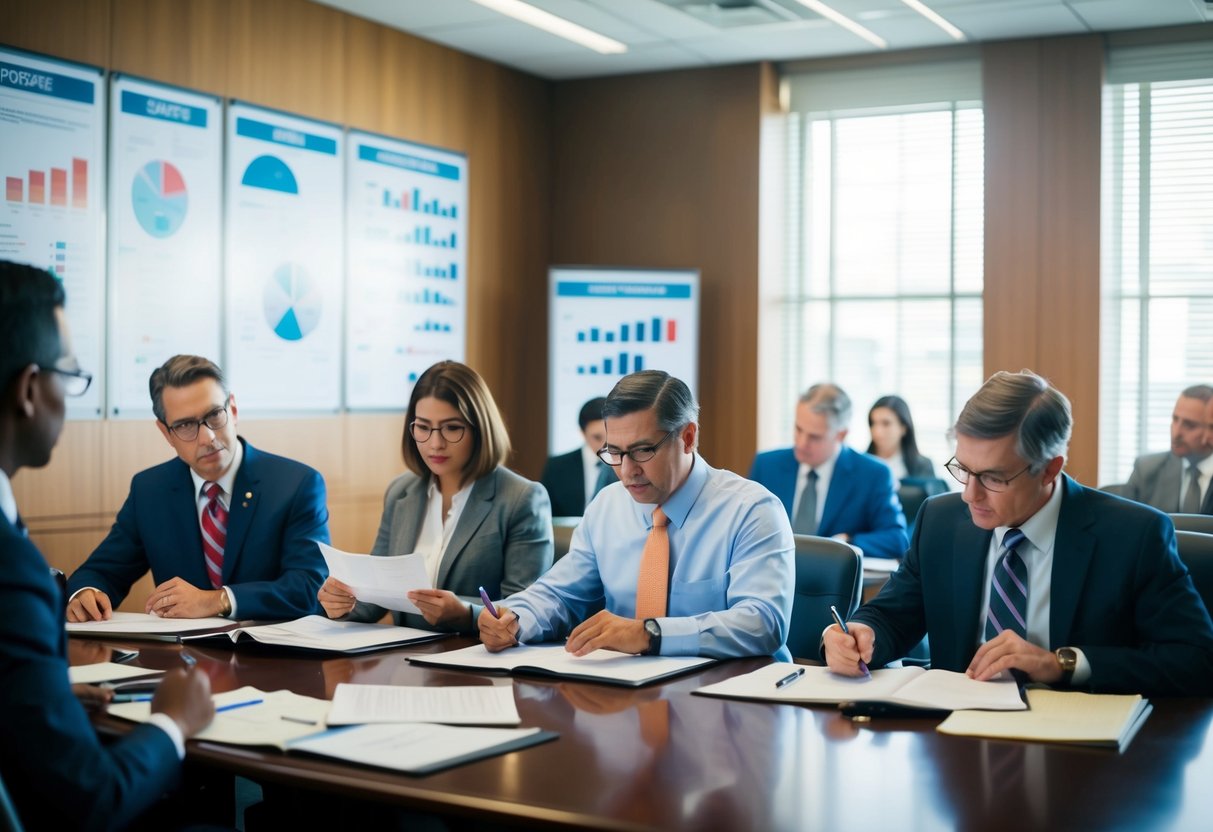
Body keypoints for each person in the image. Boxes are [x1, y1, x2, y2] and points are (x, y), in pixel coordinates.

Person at [824, 369, 1213, 696]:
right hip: (957, 742)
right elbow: (893, 616)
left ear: (1049, 468)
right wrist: (862, 633)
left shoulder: (1133, 535)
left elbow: (1195, 659)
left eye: (993, 477)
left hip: (1082, 753)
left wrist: (1060, 663)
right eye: (963, 469)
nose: (970, 494)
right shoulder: (941, 520)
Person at [0, 260, 214, 828]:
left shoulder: (295, 482)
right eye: (68, 375)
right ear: (28, 389)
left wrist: (46, 708)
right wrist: (173, 722)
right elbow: (92, 800)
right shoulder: (10, 566)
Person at [479, 369, 794, 661]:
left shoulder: (752, 510)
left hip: (731, 697)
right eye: (614, 452)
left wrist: (651, 634)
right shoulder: (607, 506)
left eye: (643, 450)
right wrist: (516, 618)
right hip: (628, 690)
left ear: (687, 438)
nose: (626, 471)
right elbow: (560, 594)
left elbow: (762, 623)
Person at [65, 355, 330, 621]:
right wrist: (86, 593)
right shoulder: (150, 490)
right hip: (181, 657)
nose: (208, 437)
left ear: (233, 409)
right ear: (166, 433)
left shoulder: (296, 485)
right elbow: (101, 571)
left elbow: (310, 587)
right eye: (185, 425)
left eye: (214, 415)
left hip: (273, 656)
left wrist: (218, 600)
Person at [318, 361, 552, 632]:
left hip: (476, 660)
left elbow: (526, 607)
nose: (435, 443)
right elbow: (374, 599)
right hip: (403, 661)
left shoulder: (521, 498)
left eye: (452, 428)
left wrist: (467, 614)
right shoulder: (401, 492)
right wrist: (343, 601)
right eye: (423, 427)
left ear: (480, 429)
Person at [748, 383, 908, 559]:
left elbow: (897, 540)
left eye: (814, 437)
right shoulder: (767, 465)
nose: (801, 443)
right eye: (798, 429)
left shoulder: (873, 474)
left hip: (833, 583)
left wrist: (847, 542)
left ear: (841, 435)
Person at [1121, 385, 1213, 513]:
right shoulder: (1147, 470)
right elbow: (1124, 522)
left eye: (1189, 425)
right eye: (1175, 419)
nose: (1176, 433)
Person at [540, 396, 612, 517]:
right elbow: (546, 515)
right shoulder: (557, 467)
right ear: (582, 433)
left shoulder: (627, 463)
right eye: (597, 437)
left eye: (610, 436)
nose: (606, 445)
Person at [865, 394, 935, 480]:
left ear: (903, 428)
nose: (877, 431)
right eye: (873, 423)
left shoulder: (922, 465)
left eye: (886, 423)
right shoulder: (860, 464)